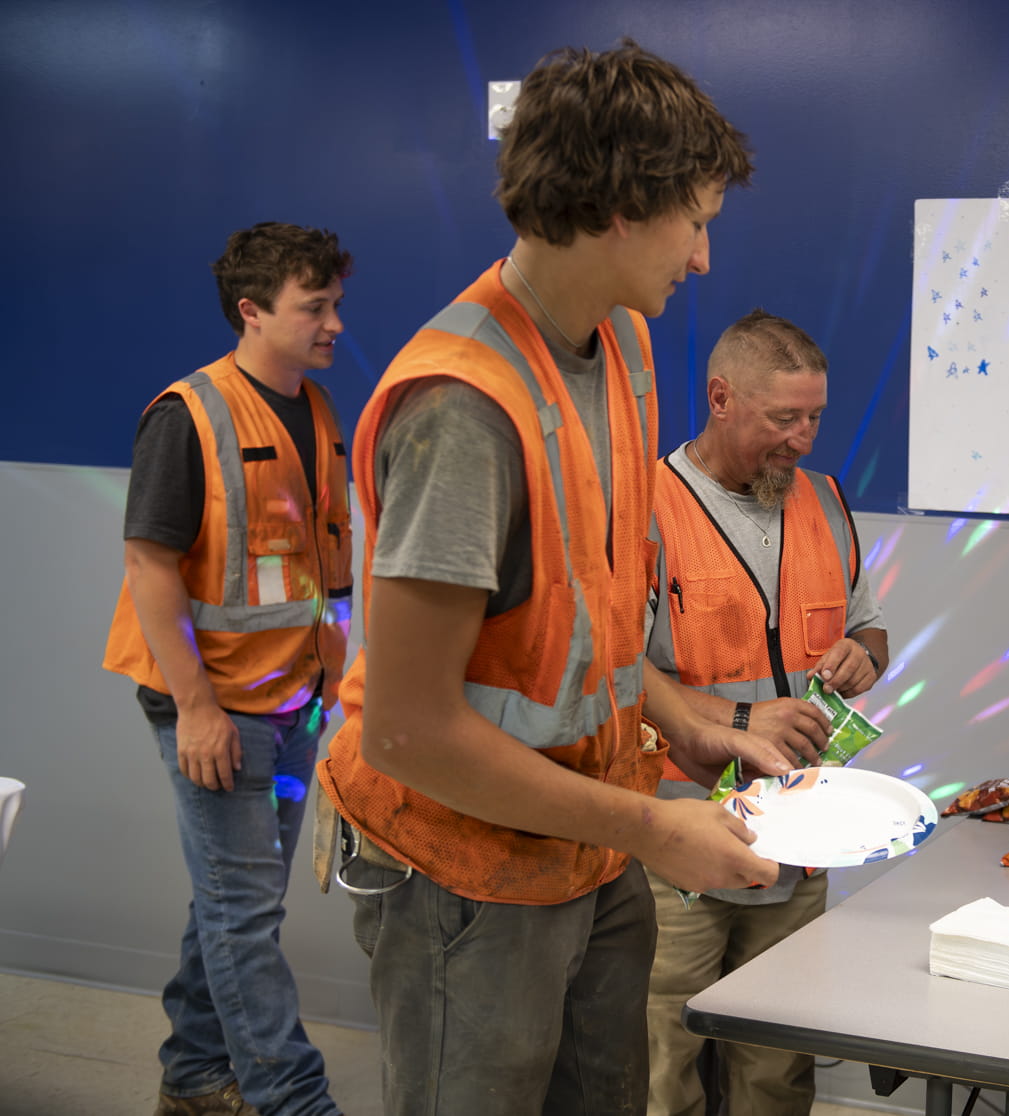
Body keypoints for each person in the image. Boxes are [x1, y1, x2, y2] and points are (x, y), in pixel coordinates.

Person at [313, 43, 789, 1114]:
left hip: (587, 842)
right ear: (623, 205)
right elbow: (408, 730)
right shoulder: (462, 409)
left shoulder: (619, 338)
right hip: (463, 876)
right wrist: (656, 829)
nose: (705, 257)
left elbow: (582, 630)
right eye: (696, 221)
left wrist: (689, 723)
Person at [103, 222, 354, 1116]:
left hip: (293, 705)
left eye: (333, 304)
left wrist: (333, 692)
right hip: (216, 711)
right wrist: (199, 710)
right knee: (245, 916)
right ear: (252, 312)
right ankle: (291, 1099)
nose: (333, 324)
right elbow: (150, 569)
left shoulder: (316, 411)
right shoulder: (191, 415)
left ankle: (192, 1076)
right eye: (313, 307)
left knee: (231, 900)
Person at [642, 310, 889, 1116]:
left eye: (815, 416)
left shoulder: (824, 501)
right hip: (676, 829)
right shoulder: (646, 507)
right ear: (720, 398)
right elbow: (613, 665)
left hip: (801, 832)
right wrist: (739, 722)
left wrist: (865, 654)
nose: (805, 438)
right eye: (784, 418)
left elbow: (869, 623)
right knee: (661, 1054)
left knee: (778, 1055)